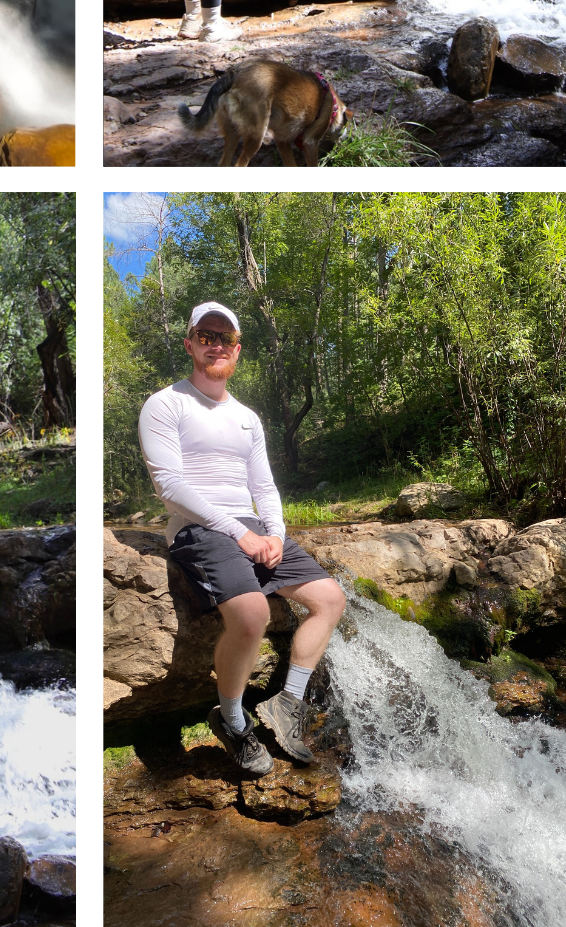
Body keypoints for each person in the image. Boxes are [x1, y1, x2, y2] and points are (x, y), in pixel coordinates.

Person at [138, 302, 346, 775]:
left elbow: (264, 486)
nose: (216, 345)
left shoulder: (248, 418)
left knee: (330, 598)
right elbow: (170, 486)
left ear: (237, 350)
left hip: (251, 526)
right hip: (198, 528)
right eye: (205, 336)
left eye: (224, 338)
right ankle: (231, 719)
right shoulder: (166, 403)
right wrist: (240, 533)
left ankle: (286, 705)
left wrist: (274, 533)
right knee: (251, 614)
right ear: (190, 343)